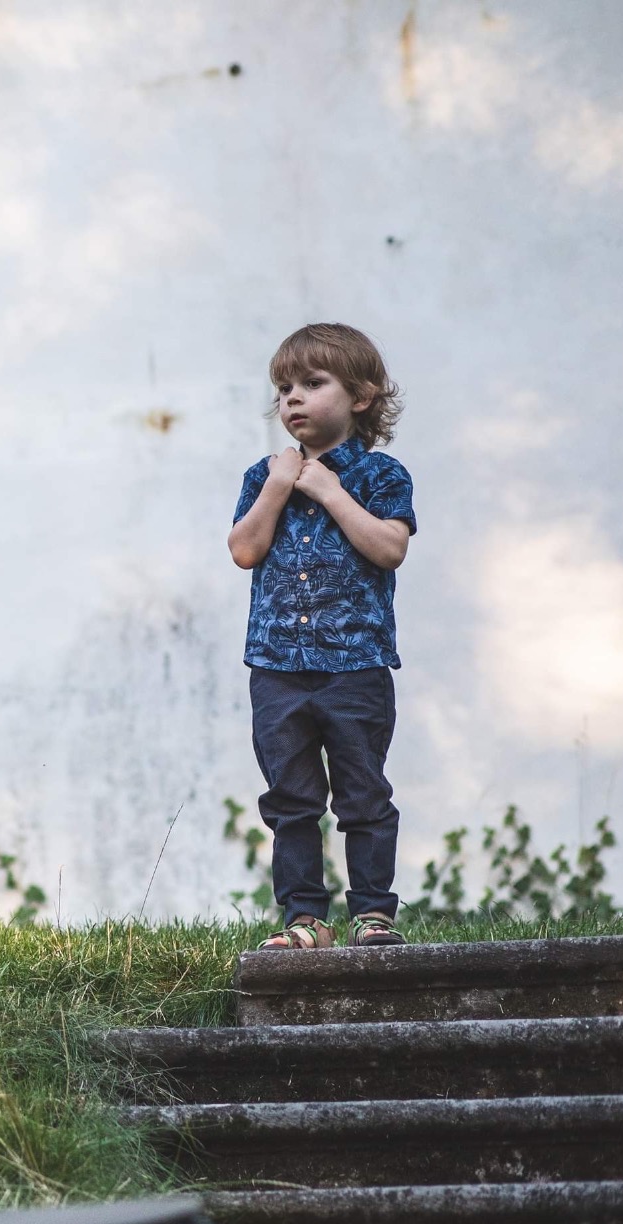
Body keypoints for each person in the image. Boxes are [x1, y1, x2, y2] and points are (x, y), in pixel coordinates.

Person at [228, 324, 415, 950]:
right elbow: (244, 550)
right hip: (277, 668)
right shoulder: (264, 475)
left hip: (354, 666)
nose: (293, 400)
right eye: (284, 389)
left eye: (312, 384)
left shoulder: (381, 475)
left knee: (363, 793)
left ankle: (372, 915)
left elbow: (389, 548)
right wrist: (281, 486)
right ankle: (304, 919)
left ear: (360, 396)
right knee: (290, 798)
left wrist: (330, 491)